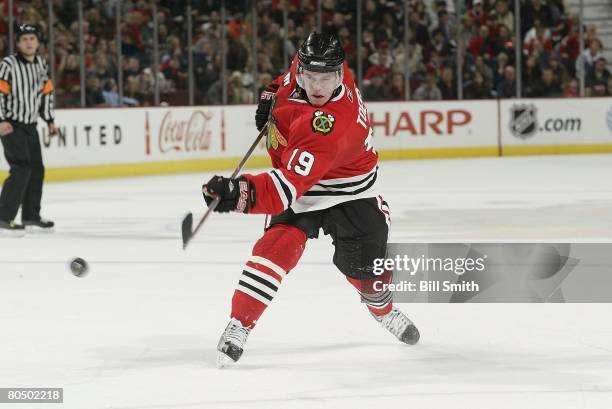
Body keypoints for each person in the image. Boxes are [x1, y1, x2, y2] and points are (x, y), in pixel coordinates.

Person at [201, 33, 420, 367]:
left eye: (326, 79)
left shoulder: (329, 124)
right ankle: (240, 323)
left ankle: (382, 308)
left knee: (365, 273)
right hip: (303, 185)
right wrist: (271, 93)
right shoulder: (312, 66)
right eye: (311, 77)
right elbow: (285, 79)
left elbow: (283, 190)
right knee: (275, 250)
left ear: (339, 74)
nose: (317, 87)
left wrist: (235, 193)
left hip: (350, 192)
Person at [0, 24, 57, 235]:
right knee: (21, 167)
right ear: (18, 43)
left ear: (38, 42)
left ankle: (31, 216)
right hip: (10, 124)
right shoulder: (7, 64)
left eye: (32, 38)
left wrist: (49, 119)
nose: (29, 42)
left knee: (36, 169)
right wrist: (0, 120)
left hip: (31, 124)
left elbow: (46, 93)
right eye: (24, 39)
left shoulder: (41, 65)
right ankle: (3, 218)